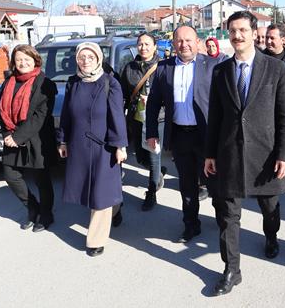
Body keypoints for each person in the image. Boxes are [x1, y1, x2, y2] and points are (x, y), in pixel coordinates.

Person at [204, 11, 285, 296]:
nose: (237, 35)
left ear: (255, 33)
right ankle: (232, 269)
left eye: (243, 30)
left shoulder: (275, 69)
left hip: (266, 156)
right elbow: (215, 116)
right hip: (229, 154)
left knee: (270, 208)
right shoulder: (220, 71)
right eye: (232, 30)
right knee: (227, 216)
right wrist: (210, 153)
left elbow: (284, 116)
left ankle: (271, 236)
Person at [146, 26, 217, 243]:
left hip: (206, 135)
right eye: (179, 40)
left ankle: (224, 218)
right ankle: (191, 224)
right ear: (173, 43)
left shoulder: (213, 66)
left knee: (214, 181)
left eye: (188, 40)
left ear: (198, 42)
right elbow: (154, 103)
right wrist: (151, 133)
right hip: (180, 135)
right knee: (186, 184)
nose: (183, 44)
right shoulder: (163, 68)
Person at [58, 42, 128, 257]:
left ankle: (95, 240)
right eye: (82, 57)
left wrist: (120, 146)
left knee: (99, 192)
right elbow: (66, 115)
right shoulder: (73, 83)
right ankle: (114, 206)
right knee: (95, 189)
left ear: (98, 59)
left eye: (90, 56)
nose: (85, 60)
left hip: (104, 146)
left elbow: (117, 116)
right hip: (79, 145)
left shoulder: (110, 83)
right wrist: (62, 141)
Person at [0, 45, 57, 232]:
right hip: (12, 136)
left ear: (35, 60)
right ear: (13, 62)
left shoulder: (45, 84)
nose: (23, 63)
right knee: (10, 175)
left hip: (37, 139)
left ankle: (46, 214)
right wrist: (8, 135)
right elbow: (1, 111)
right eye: (19, 60)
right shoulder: (8, 83)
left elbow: (40, 116)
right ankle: (32, 207)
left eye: (26, 59)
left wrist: (17, 137)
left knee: (41, 179)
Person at [119, 32, 164, 211]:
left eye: (147, 44)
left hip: (157, 119)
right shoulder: (129, 67)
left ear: (155, 46)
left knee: (153, 157)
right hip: (136, 119)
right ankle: (159, 172)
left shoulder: (163, 67)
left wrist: (154, 101)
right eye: (140, 44)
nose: (143, 47)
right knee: (140, 157)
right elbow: (122, 93)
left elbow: (171, 95)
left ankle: (151, 193)